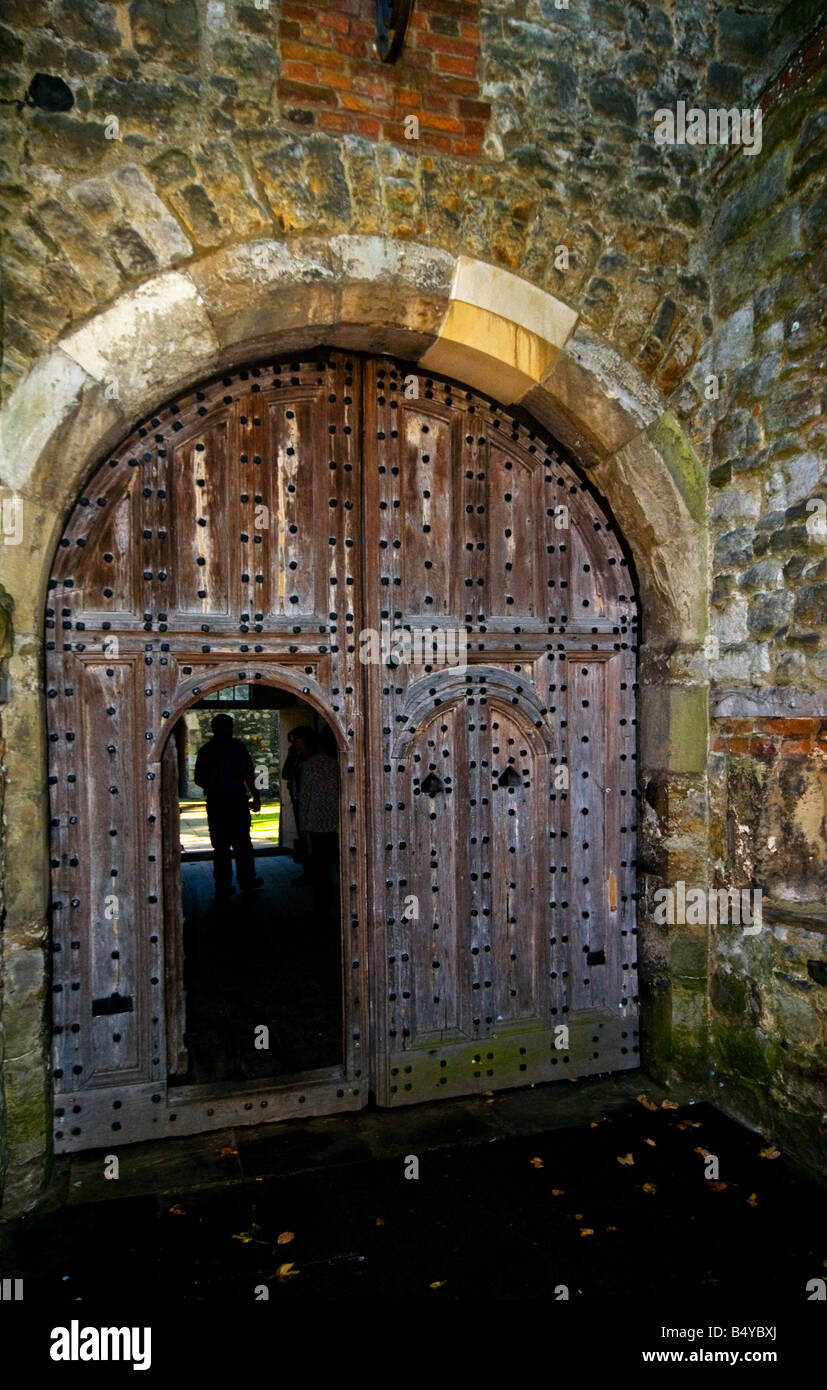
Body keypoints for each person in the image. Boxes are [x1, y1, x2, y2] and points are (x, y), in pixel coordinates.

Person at [194, 713, 264, 902]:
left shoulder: (206, 750)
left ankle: (223, 886)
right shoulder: (237, 748)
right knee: (242, 843)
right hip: (236, 801)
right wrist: (256, 796)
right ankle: (247, 880)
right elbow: (248, 774)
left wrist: (214, 786)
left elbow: (198, 779)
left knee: (221, 847)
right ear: (228, 728)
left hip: (216, 803)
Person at [296, 724, 339, 912]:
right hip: (337, 821)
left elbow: (304, 796)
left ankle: (322, 902)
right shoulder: (337, 764)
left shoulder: (308, 766)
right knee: (338, 862)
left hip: (316, 822)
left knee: (320, 866)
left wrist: (304, 824)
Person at [281, 724, 315, 884]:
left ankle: (314, 874)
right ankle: (308, 872)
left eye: (296, 740)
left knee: (312, 840)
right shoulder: (297, 758)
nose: (293, 743)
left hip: (310, 804)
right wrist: (290, 756)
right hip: (298, 802)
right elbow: (286, 774)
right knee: (304, 839)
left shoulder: (313, 760)